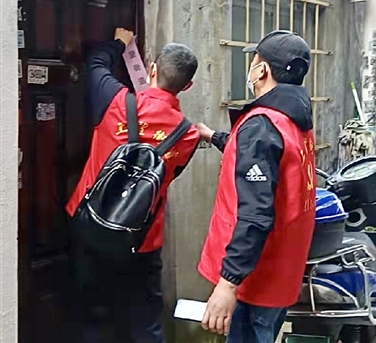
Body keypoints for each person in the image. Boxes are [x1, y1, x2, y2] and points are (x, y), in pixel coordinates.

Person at [65, 28, 200, 343]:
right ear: (187, 86)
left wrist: (120, 42)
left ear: (151, 69)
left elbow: (95, 63)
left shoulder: (115, 101)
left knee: (93, 315)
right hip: (141, 239)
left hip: (90, 226)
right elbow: (169, 176)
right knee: (146, 321)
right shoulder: (188, 135)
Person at [196, 30, 317, 343]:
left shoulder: (262, 124)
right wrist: (213, 136)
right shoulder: (293, 117)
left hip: (254, 280)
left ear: (261, 70)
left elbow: (255, 214)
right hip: (281, 271)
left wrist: (227, 284)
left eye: (254, 61)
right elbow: (264, 159)